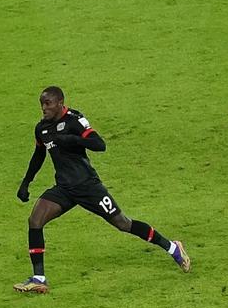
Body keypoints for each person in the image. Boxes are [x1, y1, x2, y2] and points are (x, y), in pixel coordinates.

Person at [14, 86, 190, 293]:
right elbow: (38, 155)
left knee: (123, 223)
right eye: (41, 104)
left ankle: (172, 247)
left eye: (48, 104)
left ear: (60, 102)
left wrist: (72, 139)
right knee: (35, 220)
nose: (44, 108)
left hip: (88, 187)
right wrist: (26, 182)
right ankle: (39, 279)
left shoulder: (75, 120)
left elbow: (99, 144)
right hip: (64, 188)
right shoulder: (42, 128)